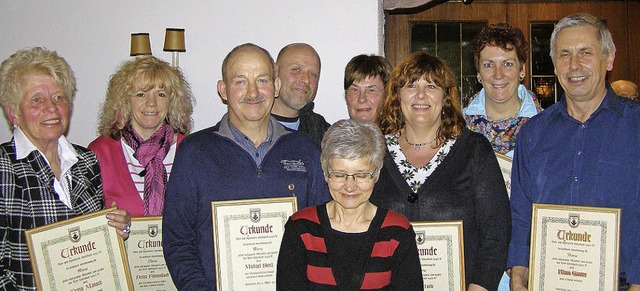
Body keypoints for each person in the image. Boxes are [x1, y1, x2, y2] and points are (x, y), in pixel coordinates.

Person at [162, 43, 330, 289]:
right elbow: (178, 240)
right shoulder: (194, 152)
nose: (253, 92)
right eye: (240, 81)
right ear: (223, 90)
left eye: (262, 80)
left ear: (276, 87)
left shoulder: (307, 151)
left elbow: (324, 233)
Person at [507, 13, 640, 290]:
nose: (574, 65)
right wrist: (518, 273)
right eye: (564, 54)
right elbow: (521, 213)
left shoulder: (635, 127)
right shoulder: (533, 134)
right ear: (555, 65)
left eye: (585, 53)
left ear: (609, 58)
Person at [371, 52, 511, 290]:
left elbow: (496, 230)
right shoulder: (373, 151)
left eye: (432, 86)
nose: (421, 95)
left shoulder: (474, 150)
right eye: (411, 85)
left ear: (445, 96)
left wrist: (480, 286)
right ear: (397, 95)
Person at [0, 47, 131, 289]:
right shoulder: (4, 168)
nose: (51, 108)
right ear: (13, 114)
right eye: (36, 100)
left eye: (59, 97)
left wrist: (117, 228)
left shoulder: (87, 160)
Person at [277, 119, 423, 290]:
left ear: (376, 174)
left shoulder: (397, 231)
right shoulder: (301, 229)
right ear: (325, 173)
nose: (350, 186)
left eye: (361, 175)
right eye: (339, 175)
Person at [88, 56, 194, 217]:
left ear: (172, 101)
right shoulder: (100, 152)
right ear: (125, 101)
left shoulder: (190, 151)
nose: (151, 103)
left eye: (160, 94)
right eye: (140, 94)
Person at [463, 23, 542, 158]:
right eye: (488, 65)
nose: (498, 74)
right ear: (478, 73)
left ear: (522, 70)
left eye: (507, 64)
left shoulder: (545, 126)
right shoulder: (458, 128)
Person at [271, 43, 330, 145]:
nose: (306, 80)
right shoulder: (246, 126)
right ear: (275, 72)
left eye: (313, 74)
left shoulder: (324, 134)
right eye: (296, 70)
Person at [344, 54, 393, 123]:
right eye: (355, 90)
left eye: (371, 90)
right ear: (346, 96)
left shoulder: (402, 133)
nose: (361, 99)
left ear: (387, 96)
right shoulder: (334, 133)